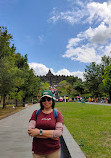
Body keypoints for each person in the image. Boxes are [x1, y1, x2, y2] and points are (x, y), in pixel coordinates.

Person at [28, 90, 63, 158]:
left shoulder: (57, 114)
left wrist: (39, 132)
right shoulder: (36, 113)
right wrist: (52, 136)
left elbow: (59, 133)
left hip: (53, 151)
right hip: (38, 151)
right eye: (44, 99)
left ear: (52, 100)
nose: (46, 102)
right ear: (41, 101)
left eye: (49, 99)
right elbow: (31, 132)